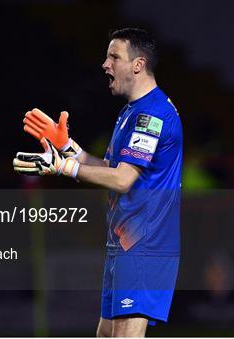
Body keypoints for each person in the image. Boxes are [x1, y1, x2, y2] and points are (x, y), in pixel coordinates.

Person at [14, 28, 183, 337]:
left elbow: (122, 180)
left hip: (145, 245)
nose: (105, 64)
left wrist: (64, 169)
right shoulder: (131, 113)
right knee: (106, 334)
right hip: (124, 243)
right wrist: (69, 149)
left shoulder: (152, 116)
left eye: (113, 56)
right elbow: (111, 168)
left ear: (137, 64)